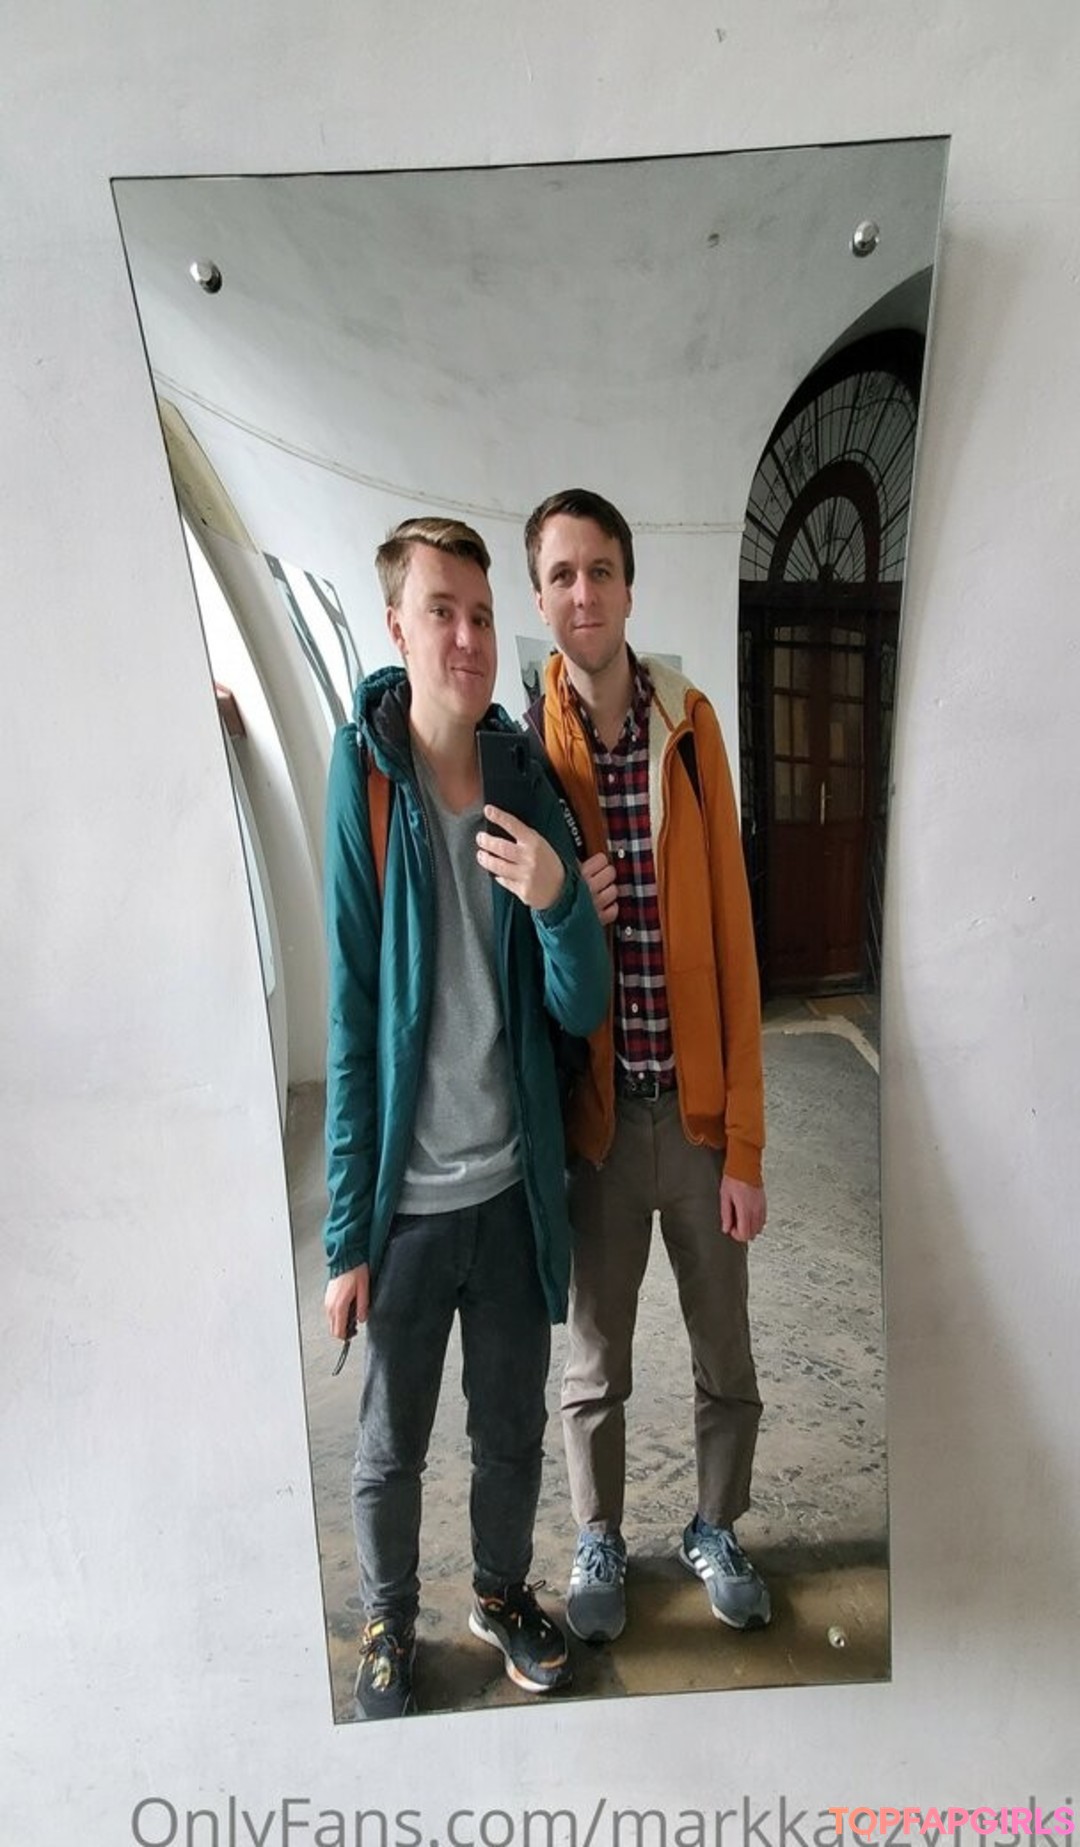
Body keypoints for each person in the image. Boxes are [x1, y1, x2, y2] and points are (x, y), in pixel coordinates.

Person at [322, 515, 609, 1720]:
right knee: (390, 1445)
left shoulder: (523, 780)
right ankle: (389, 1619)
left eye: (483, 614)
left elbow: (581, 1000)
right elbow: (351, 1011)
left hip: (508, 1191)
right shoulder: (364, 779)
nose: (468, 637)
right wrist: (347, 1233)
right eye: (442, 611)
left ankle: (500, 1592)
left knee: (509, 1434)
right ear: (398, 625)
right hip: (407, 1205)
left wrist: (556, 898)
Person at [522, 487, 769, 1645]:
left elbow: (736, 947)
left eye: (601, 570)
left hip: (701, 1119)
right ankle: (600, 1533)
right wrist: (568, 911)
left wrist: (746, 1144)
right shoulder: (524, 755)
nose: (585, 593)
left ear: (629, 584)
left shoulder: (692, 730)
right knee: (594, 1365)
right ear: (541, 597)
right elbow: (511, 957)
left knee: (727, 1352)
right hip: (601, 1125)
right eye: (562, 574)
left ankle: (715, 1524)